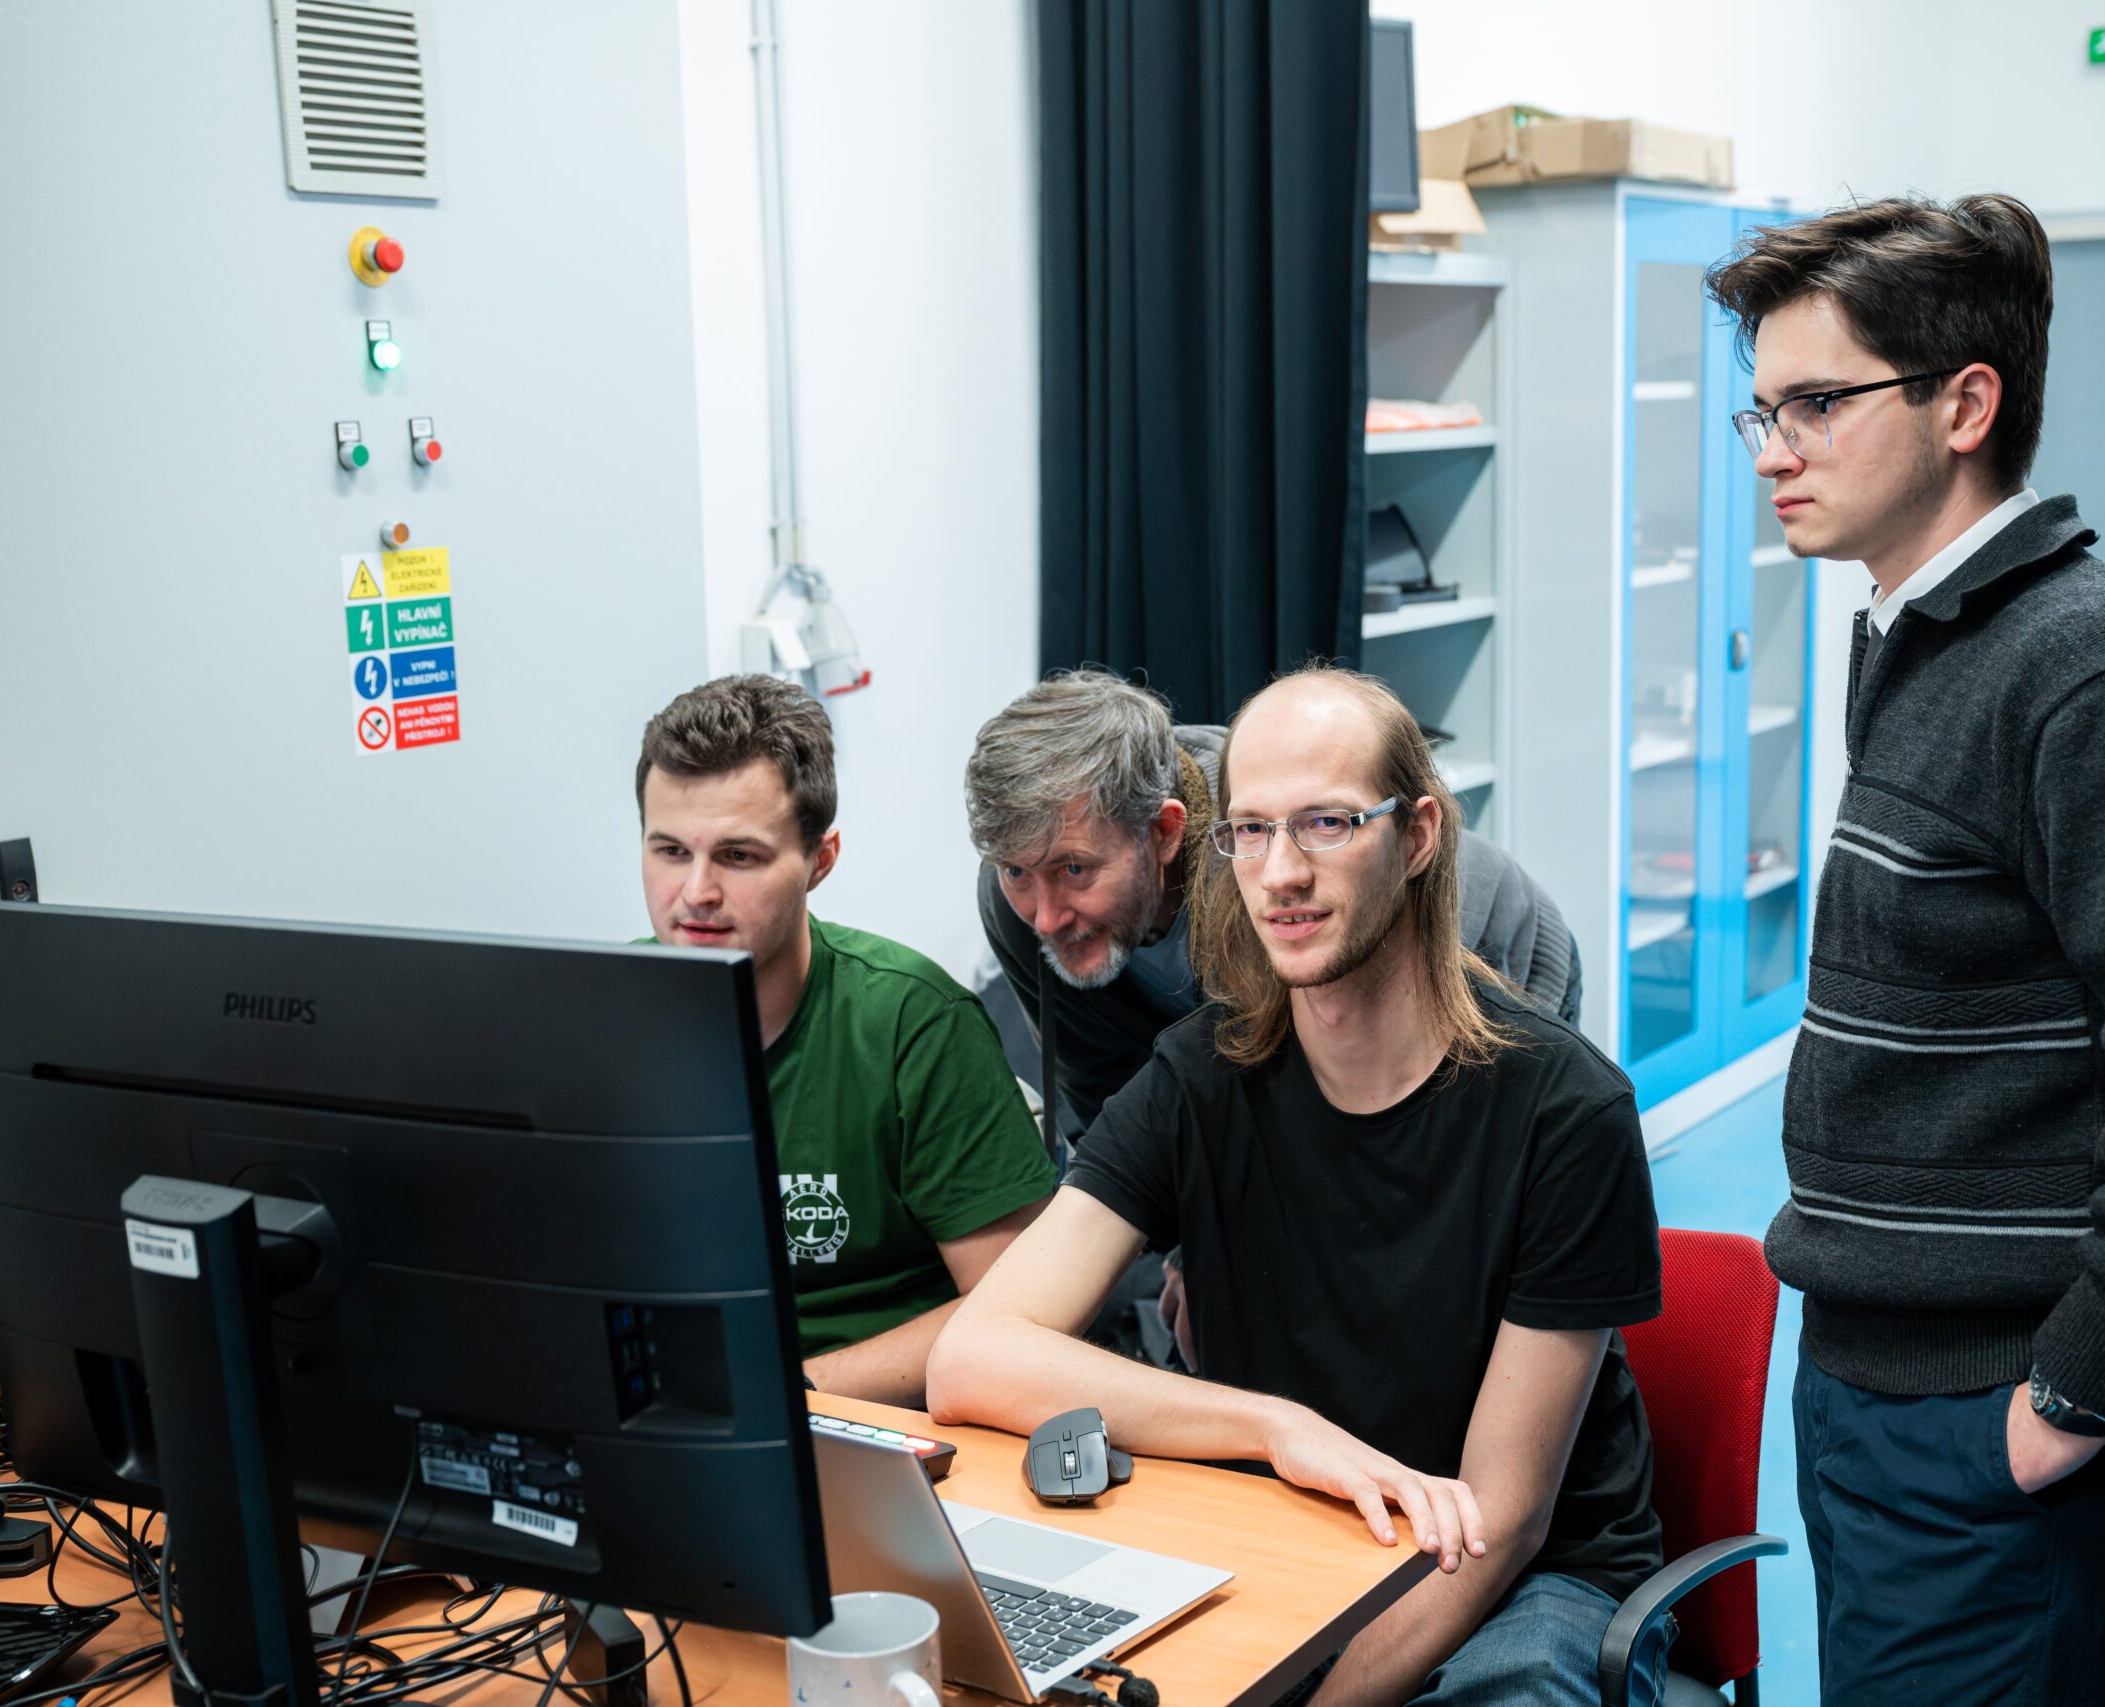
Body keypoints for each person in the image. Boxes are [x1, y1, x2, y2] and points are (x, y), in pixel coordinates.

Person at [1706, 194, 2105, 1703]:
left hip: (2004, 1419)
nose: (1772, 451)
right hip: (1874, 1380)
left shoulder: (2098, 677)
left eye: (1817, 404)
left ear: (1964, 407)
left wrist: (2070, 1399)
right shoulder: (1924, 637)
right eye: (1763, 410)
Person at [930, 665, 1669, 1706]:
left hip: (1521, 1576)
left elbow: (1499, 1520)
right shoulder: (1195, 1077)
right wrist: (1274, 1425)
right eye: (1252, 831)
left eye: (1327, 824)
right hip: (1298, 1522)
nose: (1280, 872)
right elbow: (972, 1357)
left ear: (1416, 836)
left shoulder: (1566, 1111)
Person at [636, 674, 1054, 1404]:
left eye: (738, 856)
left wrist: (783, 1395)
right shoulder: (599, 1013)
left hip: (864, 1415)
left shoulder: (914, 1024)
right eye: (671, 851)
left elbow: (1019, 1315)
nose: (696, 892)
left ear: (820, 860)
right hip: (659, 1407)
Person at [965, 669, 1580, 1155]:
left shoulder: (1263, 873)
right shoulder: (1015, 896)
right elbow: (1105, 1100)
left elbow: (1333, 1136)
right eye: (1017, 872)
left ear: (1164, 832)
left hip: (1494, 953)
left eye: (1074, 870)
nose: (1046, 918)